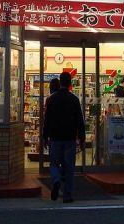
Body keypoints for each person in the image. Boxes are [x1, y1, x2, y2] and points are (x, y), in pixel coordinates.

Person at [42, 71, 85, 203]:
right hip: (70, 138)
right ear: (70, 83)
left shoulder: (52, 99)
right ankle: (67, 195)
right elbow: (80, 121)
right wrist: (82, 138)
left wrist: (45, 137)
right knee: (69, 166)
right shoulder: (74, 99)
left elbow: (47, 120)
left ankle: (56, 180)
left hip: (55, 138)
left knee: (54, 163)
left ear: (60, 82)